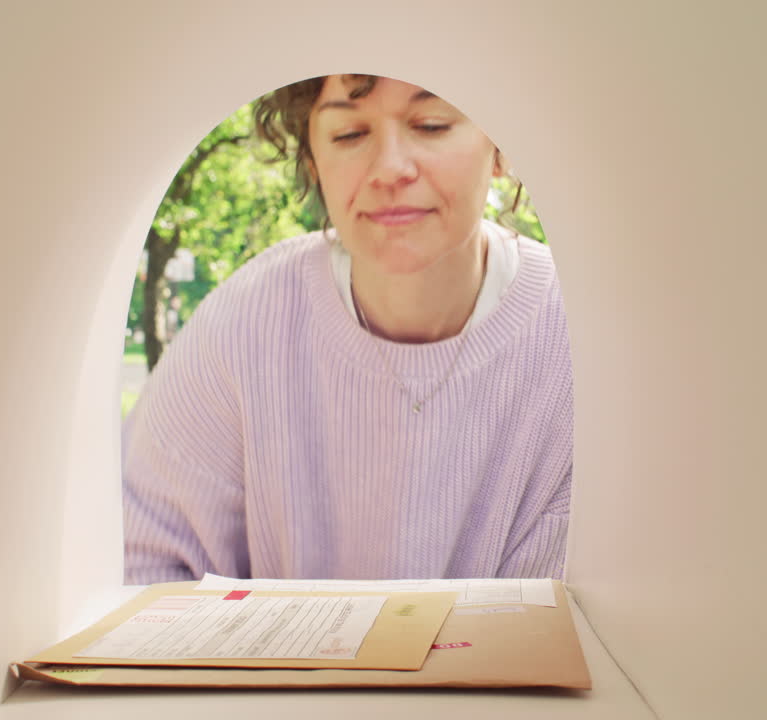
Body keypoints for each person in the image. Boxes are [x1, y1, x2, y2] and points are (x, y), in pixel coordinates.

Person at [122, 74, 572, 584]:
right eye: (349, 135)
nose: (390, 169)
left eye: (431, 124)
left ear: (501, 146)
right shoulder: (243, 326)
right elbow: (141, 561)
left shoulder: (578, 336)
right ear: (313, 161)